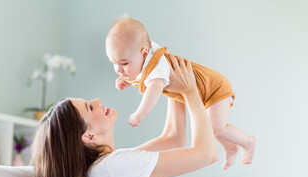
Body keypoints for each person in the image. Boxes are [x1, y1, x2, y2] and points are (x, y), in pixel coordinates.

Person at [31, 54, 218, 177]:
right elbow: (207, 154)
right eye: (89, 107)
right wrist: (190, 92)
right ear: (88, 136)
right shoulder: (113, 167)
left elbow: (174, 137)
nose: (97, 101)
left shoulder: (110, 167)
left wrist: (168, 79)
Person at [106, 16, 256, 169]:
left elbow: (154, 89)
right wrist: (126, 79)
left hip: (214, 88)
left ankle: (247, 141)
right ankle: (230, 147)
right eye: (114, 63)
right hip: (198, 92)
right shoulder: (140, 60)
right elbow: (140, 75)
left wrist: (140, 113)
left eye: (123, 63)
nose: (118, 69)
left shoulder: (158, 66)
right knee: (214, 129)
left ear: (145, 53)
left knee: (216, 128)